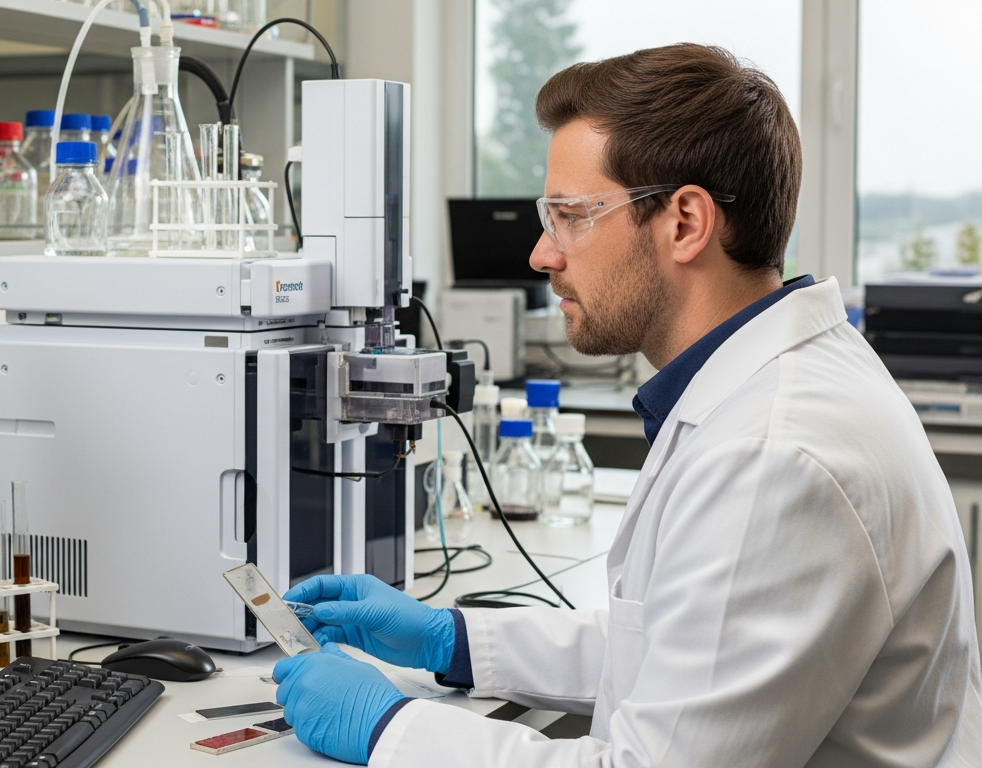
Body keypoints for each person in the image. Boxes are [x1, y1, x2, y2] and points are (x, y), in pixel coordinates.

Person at [273, 43, 982, 767]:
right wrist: (451, 639)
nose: (541, 255)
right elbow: (683, 654)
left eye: (570, 216)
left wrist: (390, 728)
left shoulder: (776, 456)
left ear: (685, 222)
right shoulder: (771, 385)